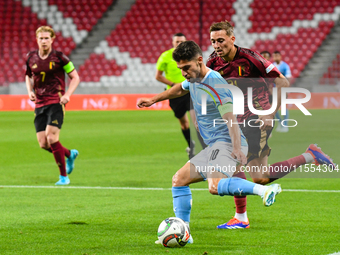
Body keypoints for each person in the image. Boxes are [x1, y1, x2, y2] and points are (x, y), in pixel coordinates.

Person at [138, 41, 282, 243]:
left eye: (186, 68)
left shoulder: (214, 82)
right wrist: (154, 99)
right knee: (178, 181)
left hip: (227, 143)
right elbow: (180, 89)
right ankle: (184, 233)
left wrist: (237, 148)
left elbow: (230, 118)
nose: (184, 72)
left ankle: (264, 190)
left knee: (215, 186)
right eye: (180, 68)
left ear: (199, 60)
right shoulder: (195, 79)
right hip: (215, 145)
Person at [207, 21, 336, 229]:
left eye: (220, 40)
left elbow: (283, 82)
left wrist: (269, 113)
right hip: (235, 120)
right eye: (213, 41)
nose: (216, 45)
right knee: (251, 172)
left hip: (257, 119)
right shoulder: (213, 63)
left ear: (232, 39)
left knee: (247, 170)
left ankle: (241, 218)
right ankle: (309, 156)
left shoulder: (251, 58)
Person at [25, 26, 80, 185]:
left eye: (46, 38)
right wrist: (30, 91)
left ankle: (64, 177)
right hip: (39, 103)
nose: (43, 41)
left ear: (52, 39)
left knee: (51, 137)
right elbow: (28, 76)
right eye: (41, 38)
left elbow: (75, 77)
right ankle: (69, 154)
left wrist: (67, 95)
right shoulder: (30, 58)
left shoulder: (60, 58)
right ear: (37, 39)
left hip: (56, 101)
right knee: (43, 143)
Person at [155, 33, 206, 158]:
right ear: (173, 43)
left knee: (196, 122)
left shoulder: (191, 57)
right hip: (175, 94)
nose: (179, 44)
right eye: (177, 41)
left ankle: (204, 150)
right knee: (184, 124)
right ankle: (191, 146)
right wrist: (174, 84)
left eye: (181, 41)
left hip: (190, 91)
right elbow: (158, 76)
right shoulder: (166, 56)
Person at [272, 50, 292, 132]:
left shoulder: (285, 66)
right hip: (274, 89)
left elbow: (288, 77)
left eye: (277, 56)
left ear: (280, 56)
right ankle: (281, 123)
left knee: (283, 107)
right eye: (274, 56)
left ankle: (285, 125)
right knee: (274, 108)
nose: (276, 57)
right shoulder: (272, 66)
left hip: (283, 89)